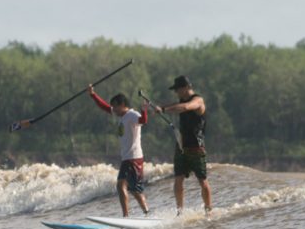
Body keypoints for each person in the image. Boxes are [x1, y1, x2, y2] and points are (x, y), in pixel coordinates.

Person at [88, 84, 150, 217]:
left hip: (133, 158)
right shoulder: (122, 116)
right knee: (134, 190)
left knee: (122, 185)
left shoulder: (132, 115)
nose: (113, 109)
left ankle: (126, 216)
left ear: (122, 104)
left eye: (115, 106)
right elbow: (105, 107)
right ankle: (146, 213)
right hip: (128, 158)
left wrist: (144, 109)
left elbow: (143, 121)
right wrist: (93, 95)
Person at [155, 75, 212, 215]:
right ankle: (180, 211)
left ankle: (208, 209)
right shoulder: (181, 100)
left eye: (178, 89)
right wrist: (158, 107)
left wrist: (163, 109)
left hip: (196, 147)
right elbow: (177, 105)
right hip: (181, 146)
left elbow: (186, 107)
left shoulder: (198, 100)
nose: (176, 92)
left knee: (202, 180)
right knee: (178, 179)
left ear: (186, 87)